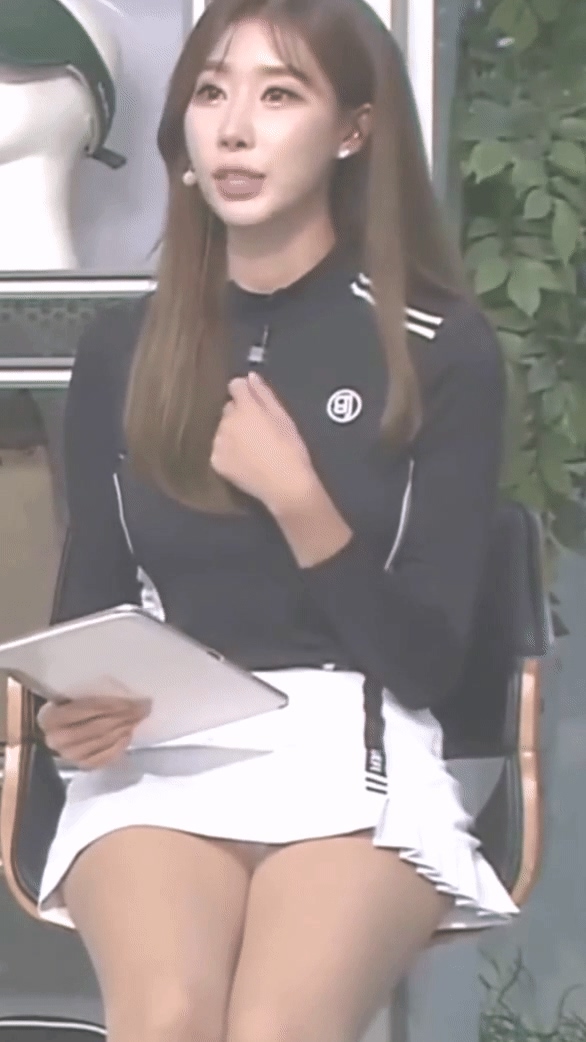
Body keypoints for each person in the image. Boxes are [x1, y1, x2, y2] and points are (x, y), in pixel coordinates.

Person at [36, 0, 518, 1039]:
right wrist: (71, 719)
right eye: (212, 92)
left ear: (352, 129)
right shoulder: (122, 350)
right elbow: (92, 611)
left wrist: (301, 502)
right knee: (168, 1017)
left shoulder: (437, 348)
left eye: (279, 94)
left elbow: (431, 661)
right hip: (162, 752)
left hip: (353, 741)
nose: (235, 129)